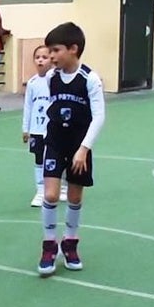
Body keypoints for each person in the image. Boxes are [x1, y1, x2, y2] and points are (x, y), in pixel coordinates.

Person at [37, 22, 105, 277]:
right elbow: (50, 108)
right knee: (51, 195)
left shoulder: (89, 79)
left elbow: (99, 116)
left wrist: (84, 149)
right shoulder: (52, 77)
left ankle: (70, 242)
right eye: (48, 51)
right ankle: (49, 245)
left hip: (79, 146)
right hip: (55, 142)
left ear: (73, 49)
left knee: (75, 198)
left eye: (55, 50)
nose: (51, 56)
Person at [22, 45, 52, 208]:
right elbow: (28, 107)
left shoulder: (55, 80)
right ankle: (40, 190)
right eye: (37, 57)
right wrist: (25, 128)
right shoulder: (32, 83)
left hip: (53, 130)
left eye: (44, 57)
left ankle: (61, 186)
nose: (40, 60)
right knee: (39, 158)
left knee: (57, 157)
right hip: (36, 130)